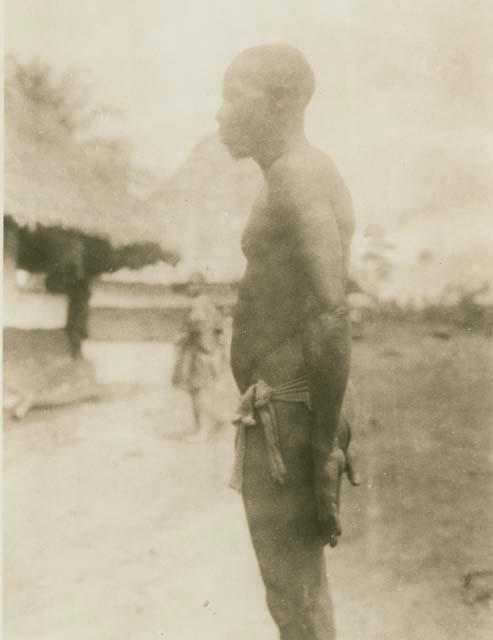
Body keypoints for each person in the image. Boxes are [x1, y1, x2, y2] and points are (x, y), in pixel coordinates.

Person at [217, 44, 360, 639]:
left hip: (291, 411)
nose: (220, 114)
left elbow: (329, 311)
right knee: (299, 593)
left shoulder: (297, 176)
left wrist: (323, 446)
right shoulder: (295, 173)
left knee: (294, 596)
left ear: (280, 102)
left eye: (232, 95)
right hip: (291, 404)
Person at [172, 272, 226, 441]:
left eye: (192, 284)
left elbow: (197, 328)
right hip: (207, 351)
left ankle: (202, 429)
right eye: (188, 285)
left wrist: (182, 339)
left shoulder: (198, 304)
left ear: (201, 286)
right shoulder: (208, 303)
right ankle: (210, 425)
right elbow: (219, 327)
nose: (189, 288)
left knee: (198, 391)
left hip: (198, 352)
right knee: (201, 390)